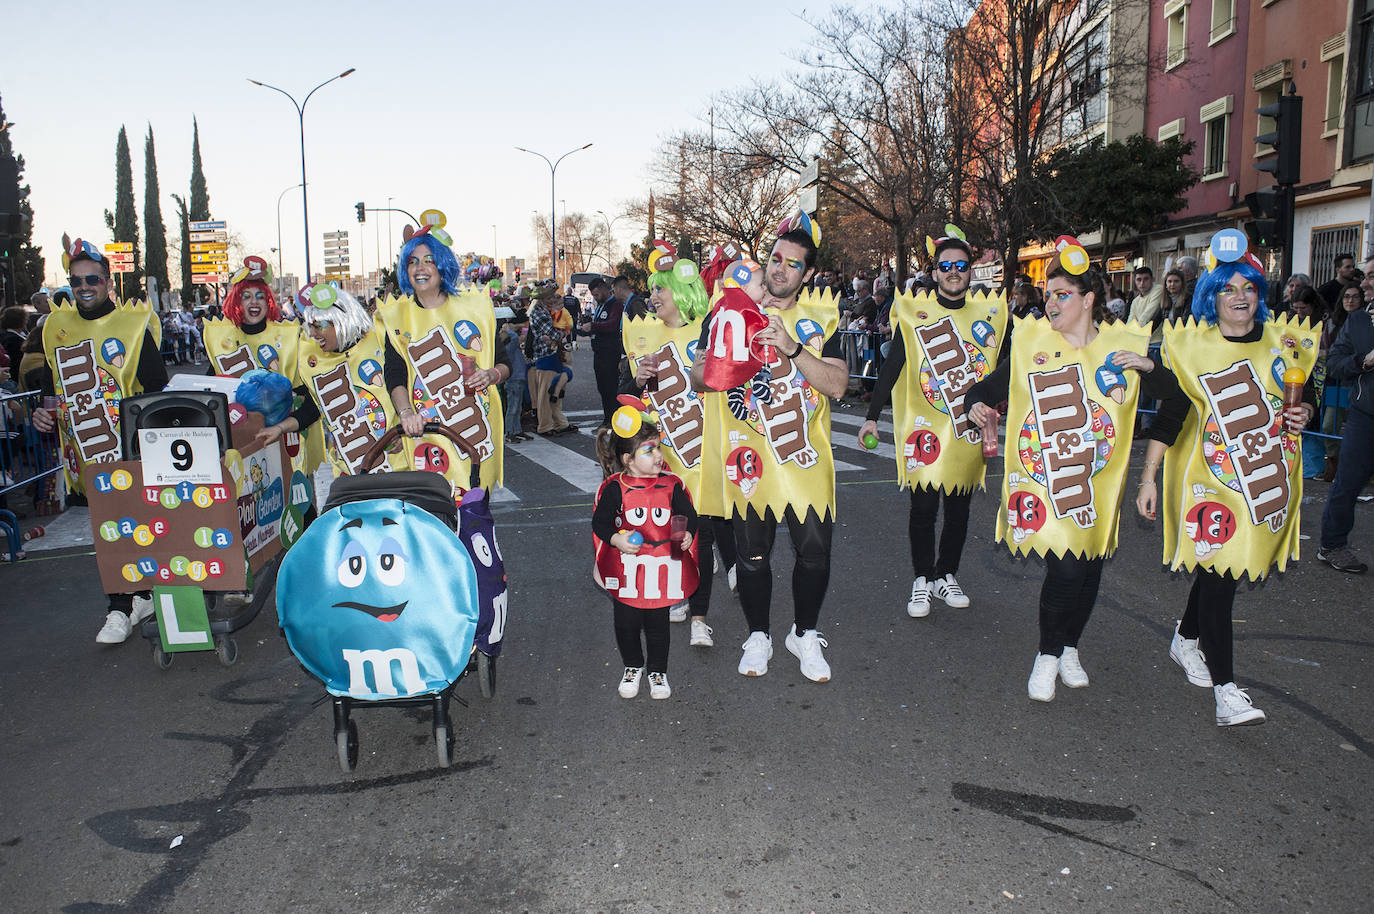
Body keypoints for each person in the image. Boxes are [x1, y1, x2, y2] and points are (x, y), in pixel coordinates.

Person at [1135, 238, 1318, 726]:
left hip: (1261, 477)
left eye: (1249, 288)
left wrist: (1304, 411)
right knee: (1220, 575)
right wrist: (1148, 478)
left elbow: (1309, 395)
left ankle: (1186, 637)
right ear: (1211, 299)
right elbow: (1170, 411)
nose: (1240, 296)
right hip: (1207, 484)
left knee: (1226, 572)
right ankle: (1227, 690)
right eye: (1227, 289)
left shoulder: (1285, 341)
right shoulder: (1192, 347)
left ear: (1260, 293)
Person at [966, 240, 1153, 702]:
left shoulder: (1121, 349)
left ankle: (1069, 647)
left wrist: (1151, 366)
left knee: (1089, 572)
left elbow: (1175, 399)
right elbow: (982, 388)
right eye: (1047, 294)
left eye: (1061, 295)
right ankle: (1047, 655)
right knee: (1066, 571)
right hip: (1046, 481)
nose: (1050, 303)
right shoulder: (1032, 347)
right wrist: (976, 407)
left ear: (1088, 300)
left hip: (1095, 486)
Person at [690, 212, 849, 682]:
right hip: (749, 457)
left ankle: (804, 632)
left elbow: (838, 383)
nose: (780, 270)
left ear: (808, 274)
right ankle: (758, 633)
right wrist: (729, 363)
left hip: (803, 454)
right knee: (752, 555)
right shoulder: (727, 310)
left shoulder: (821, 317)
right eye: (775, 259)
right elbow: (698, 376)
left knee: (815, 551)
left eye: (792, 265)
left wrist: (793, 349)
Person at [860, 229, 1006, 618]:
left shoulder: (991, 314)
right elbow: (893, 367)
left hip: (968, 429)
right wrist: (872, 418)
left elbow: (1010, 367)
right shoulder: (915, 314)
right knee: (923, 509)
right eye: (946, 266)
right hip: (926, 429)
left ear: (971, 272)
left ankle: (946, 575)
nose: (954, 272)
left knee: (959, 511)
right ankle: (922, 579)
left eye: (961, 266)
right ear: (936, 272)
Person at [32, 238, 168, 644]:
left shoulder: (134, 326)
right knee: (109, 530)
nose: (84, 287)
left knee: (129, 528)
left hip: (129, 453)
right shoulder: (56, 330)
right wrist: (42, 414)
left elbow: (159, 391)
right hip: (85, 458)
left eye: (92, 279)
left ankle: (122, 607)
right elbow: (51, 391)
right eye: (76, 281)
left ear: (109, 282)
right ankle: (133, 598)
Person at [624, 250, 736, 648]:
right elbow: (624, 394)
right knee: (676, 532)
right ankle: (683, 590)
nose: (653, 296)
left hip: (705, 451)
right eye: (651, 289)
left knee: (701, 533)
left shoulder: (708, 330)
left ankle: (700, 615)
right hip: (666, 455)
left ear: (681, 291)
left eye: (660, 289)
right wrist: (637, 377)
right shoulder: (646, 337)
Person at [380, 227, 511, 494]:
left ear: (442, 265)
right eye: (412, 261)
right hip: (426, 435)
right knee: (435, 516)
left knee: (474, 514)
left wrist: (490, 375)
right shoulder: (396, 318)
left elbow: (505, 364)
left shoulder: (474, 309)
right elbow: (394, 375)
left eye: (429, 260)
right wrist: (406, 414)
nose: (420, 267)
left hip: (474, 431)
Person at [592, 409, 698, 700]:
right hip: (628, 571)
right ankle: (633, 665)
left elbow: (688, 514)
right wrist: (616, 539)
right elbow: (600, 523)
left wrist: (687, 533)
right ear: (628, 459)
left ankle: (658, 670)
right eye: (649, 451)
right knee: (626, 622)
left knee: (657, 624)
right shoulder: (616, 488)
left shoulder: (672, 485)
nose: (658, 456)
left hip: (660, 569)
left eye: (659, 448)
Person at [288, 283, 410, 475]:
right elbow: (312, 409)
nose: (312, 334)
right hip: (349, 477)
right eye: (310, 327)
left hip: (396, 471)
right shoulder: (315, 360)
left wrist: (406, 434)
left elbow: (408, 387)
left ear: (341, 320)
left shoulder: (380, 340)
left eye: (318, 326)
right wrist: (278, 428)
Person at [1315, 255, 1374, 575]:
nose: (1363, 283)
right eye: (1364, 275)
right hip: (1365, 417)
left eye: (1371, 277)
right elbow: (1336, 364)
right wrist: (1364, 360)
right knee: (1347, 484)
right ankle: (1332, 545)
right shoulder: (1360, 320)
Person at [527, 286, 575, 436]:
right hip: (546, 355)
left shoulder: (542, 311)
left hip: (550, 354)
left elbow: (553, 334)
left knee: (553, 391)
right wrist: (561, 333)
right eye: (548, 298)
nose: (551, 301)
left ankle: (557, 423)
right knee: (546, 393)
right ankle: (546, 425)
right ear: (541, 298)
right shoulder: (540, 312)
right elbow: (551, 333)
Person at [581, 277, 624, 426]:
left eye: (597, 295)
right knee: (603, 387)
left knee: (611, 387)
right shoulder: (601, 305)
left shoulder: (616, 305)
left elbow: (612, 325)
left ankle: (614, 419)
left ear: (604, 289)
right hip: (599, 352)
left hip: (610, 353)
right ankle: (607, 417)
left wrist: (593, 326)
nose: (595, 298)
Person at [500, 309, 532, 443]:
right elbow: (513, 338)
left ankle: (516, 430)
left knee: (517, 408)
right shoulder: (509, 348)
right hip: (513, 381)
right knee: (513, 408)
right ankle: (509, 432)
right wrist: (508, 329)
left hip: (517, 380)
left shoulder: (513, 348)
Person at [1126, 266, 1165, 345]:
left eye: (1146, 279)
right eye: (1139, 280)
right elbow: (1131, 321)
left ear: (1152, 279)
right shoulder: (1135, 301)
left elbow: (1147, 314)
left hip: (1156, 341)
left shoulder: (1158, 290)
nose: (1142, 283)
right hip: (1141, 341)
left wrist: (1134, 333)